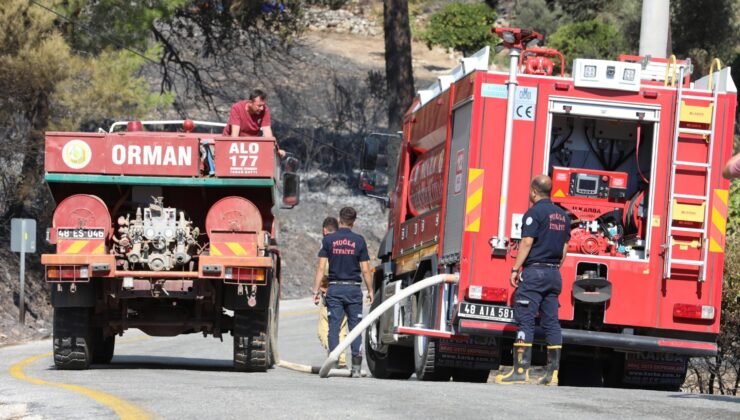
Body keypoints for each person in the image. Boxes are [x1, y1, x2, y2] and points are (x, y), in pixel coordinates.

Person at [495, 175, 571, 386]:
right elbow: (565, 247)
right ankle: (552, 375)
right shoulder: (563, 216)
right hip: (554, 274)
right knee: (552, 323)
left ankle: (520, 371)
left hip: (535, 273)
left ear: (534, 192)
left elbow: (527, 242)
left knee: (525, 320)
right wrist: (554, 267)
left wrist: (515, 267)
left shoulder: (534, 213)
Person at [312, 207, 374, 378]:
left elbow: (321, 267)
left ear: (339, 220)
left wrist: (316, 291)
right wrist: (370, 290)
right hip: (354, 289)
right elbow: (366, 270)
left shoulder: (329, 240)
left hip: (335, 288)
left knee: (334, 326)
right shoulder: (359, 241)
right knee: (355, 327)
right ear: (354, 222)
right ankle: (355, 367)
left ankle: (332, 360)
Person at [315, 216, 348, 368]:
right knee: (341, 327)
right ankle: (341, 359)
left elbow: (323, 268)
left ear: (324, 230)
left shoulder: (327, 244)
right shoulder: (348, 243)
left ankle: (334, 354)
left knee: (324, 329)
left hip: (331, 291)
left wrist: (318, 289)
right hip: (349, 290)